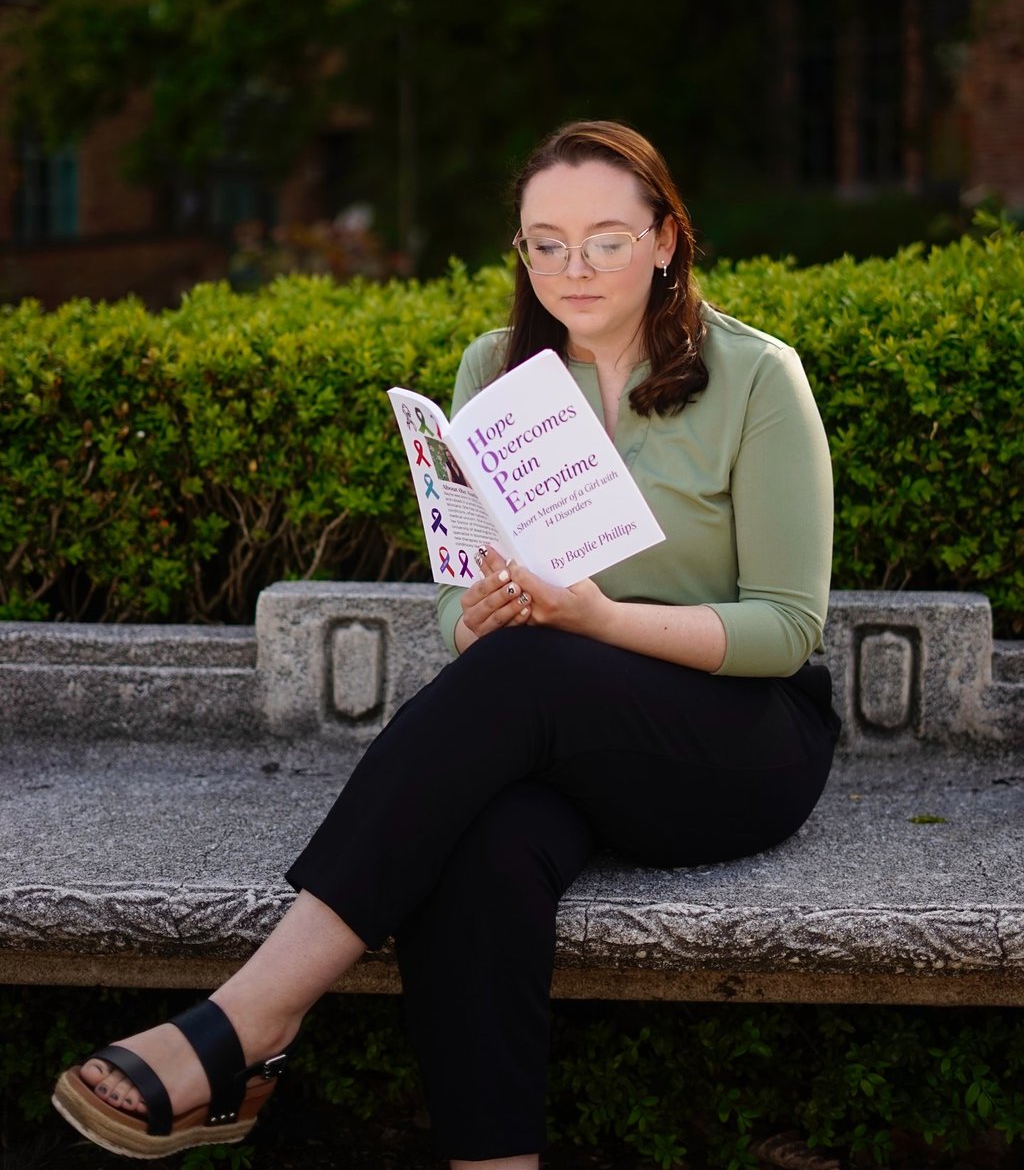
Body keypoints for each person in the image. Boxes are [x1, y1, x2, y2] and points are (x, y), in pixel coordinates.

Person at [53, 120, 840, 1169]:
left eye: (607, 237)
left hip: (737, 735)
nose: (575, 267)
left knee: (534, 673)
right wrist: (473, 619)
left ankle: (251, 1019)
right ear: (519, 252)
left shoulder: (755, 377)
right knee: (479, 850)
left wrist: (596, 621)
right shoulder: (495, 371)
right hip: (557, 731)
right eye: (545, 242)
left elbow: (786, 630)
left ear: (664, 239)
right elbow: (459, 590)